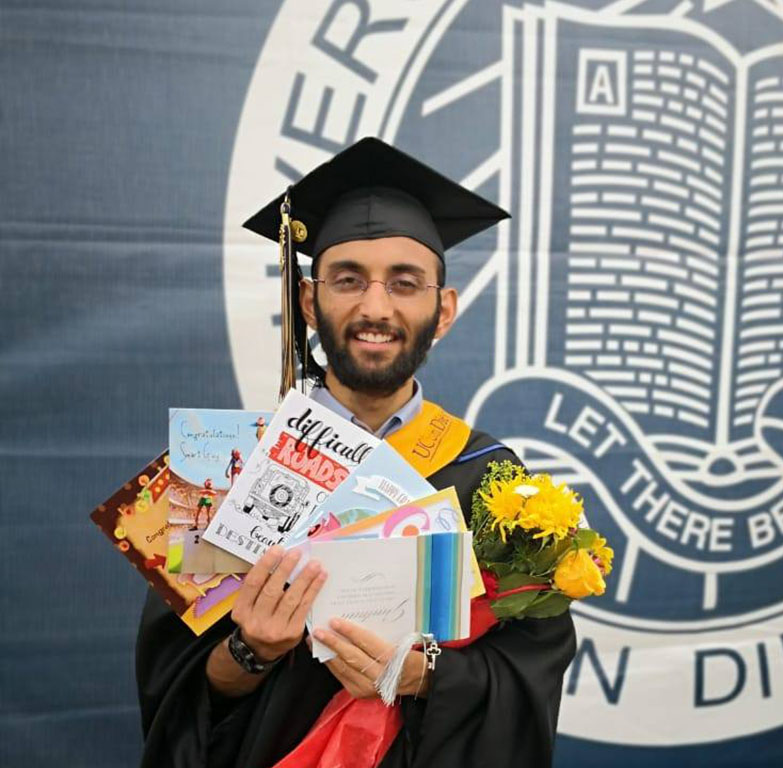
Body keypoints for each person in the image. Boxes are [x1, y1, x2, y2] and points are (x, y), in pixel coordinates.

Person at [136, 137, 577, 768]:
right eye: (348, 280)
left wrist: (425, 675)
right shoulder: (220, 470)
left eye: (405, 283)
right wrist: (250, 653)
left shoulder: (492, 480)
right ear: (310, 303)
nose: (376, 307)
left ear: (443, 310)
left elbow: (528, 675)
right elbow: (173, 691)